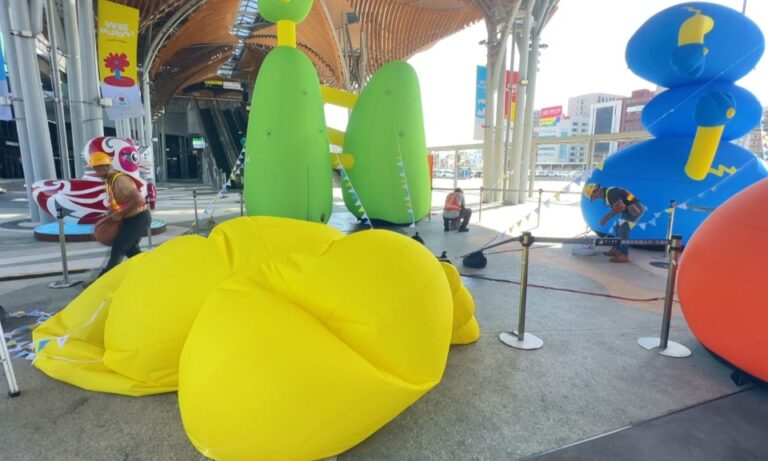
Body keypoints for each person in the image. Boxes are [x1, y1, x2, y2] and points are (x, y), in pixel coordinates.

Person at [90, 149, 151, 277]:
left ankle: (104, 278)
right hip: (131, 219)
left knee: (119, 246)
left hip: (139, 218)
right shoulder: (110, 181)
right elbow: (119, 202)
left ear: (104, 167)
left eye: (97, 169)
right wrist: (112, 213)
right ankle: (150, 271)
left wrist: (120, 214)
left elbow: (138, 199)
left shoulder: (120, 180)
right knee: (131, 250)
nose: (96, 173)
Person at [583, 183, 646, 263]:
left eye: (593, 195)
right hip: (628, 210)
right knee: (617, 228)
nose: (594, 198)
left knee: (623, 231)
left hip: (635, 210)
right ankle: (617, 250)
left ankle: (624, 255)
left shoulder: (611, 193)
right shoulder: (608, 194)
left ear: (596, 191)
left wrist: (606, 218)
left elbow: (621, 207)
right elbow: (620, 206)